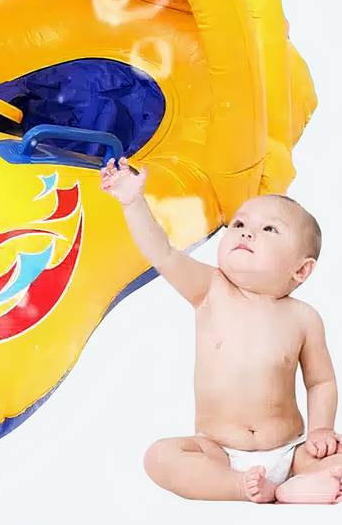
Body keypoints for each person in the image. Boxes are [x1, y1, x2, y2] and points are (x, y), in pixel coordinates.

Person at [100, 156, 341, 504]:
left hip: (291, 452)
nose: (246, 231)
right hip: (219, 453)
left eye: (269, 229)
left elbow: (321, 382)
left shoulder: (304, 317)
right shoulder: (210, 290)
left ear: (301, 270)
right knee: (160, 457)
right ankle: (243, 486)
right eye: (239, 223)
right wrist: (132, 202)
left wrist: (321, 431)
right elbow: (162, 253)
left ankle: (294, 484)